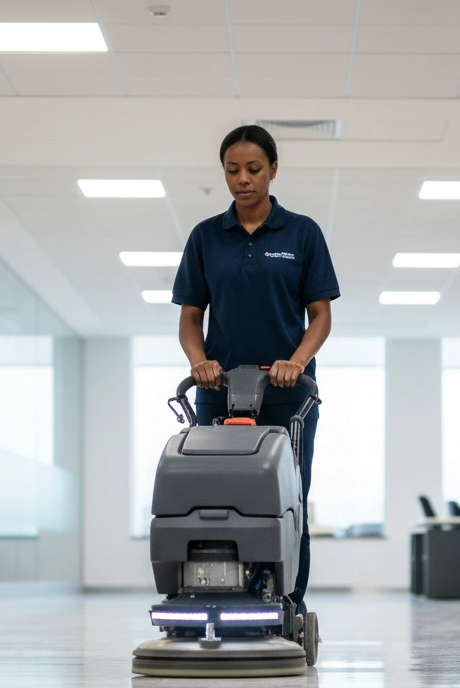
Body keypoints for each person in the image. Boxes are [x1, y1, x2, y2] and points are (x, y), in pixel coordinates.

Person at [172, 124, 340, 610]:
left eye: (253, 169)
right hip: (220, 393)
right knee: (216, 498)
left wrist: (297, 360)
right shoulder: (206, 237)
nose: (242, 179)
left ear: (273, 170)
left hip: (289, 397)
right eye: (232, 170)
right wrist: (199, 361)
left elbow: (321, 314)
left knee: (289, 502)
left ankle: (288, 601)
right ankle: (216, 590)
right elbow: (189, 317)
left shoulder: (302, 233)